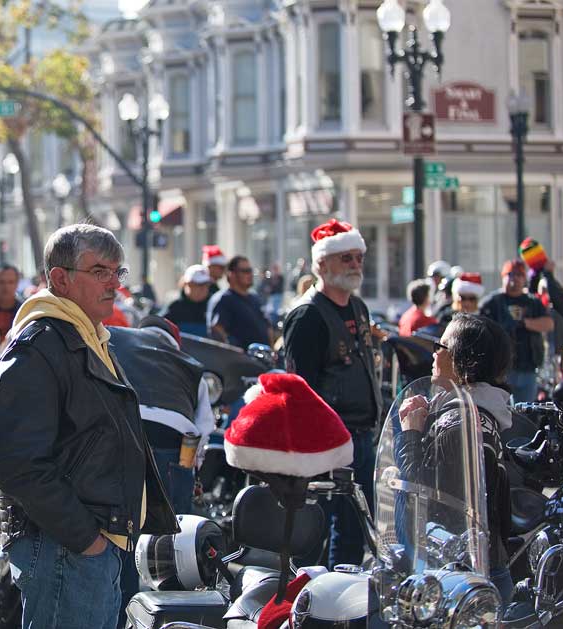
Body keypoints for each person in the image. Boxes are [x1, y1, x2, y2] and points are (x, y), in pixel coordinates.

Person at [0, 224, 178, 629]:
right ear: (60, 278)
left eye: (117, 272)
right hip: (66, 549)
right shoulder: (40, 344)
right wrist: (85, 539)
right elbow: (15, 460)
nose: (113, 285)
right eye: (100, 271)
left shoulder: (88, 336)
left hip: (92, 545)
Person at [283, 219, 381, 569]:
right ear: (322, 264)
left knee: (355, 531)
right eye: (345, 258)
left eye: (358, 257)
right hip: (327, 441)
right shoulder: (307, 315)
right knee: (316, 532)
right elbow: (299, 390)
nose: (355, 265)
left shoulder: (359, 308)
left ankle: (345, 608)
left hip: (362, 436)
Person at [398, 314, 514, 607]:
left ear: (466, 361)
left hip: (457, 577)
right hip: (484, 563)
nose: (435, 351)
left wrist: (410, 434)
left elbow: (422, 491)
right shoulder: (479, 409)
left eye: (443, 345)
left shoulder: (459, 419)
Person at [108, 315, 215, 629]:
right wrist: (190, 476)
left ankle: (120, 617)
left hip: (122, 441)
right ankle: (163, 617)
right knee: (167, 548)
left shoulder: (117, 340)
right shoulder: (191, 364)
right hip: (173, 449)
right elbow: (203, 429)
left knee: (121, 540)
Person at [480, 259, 554, 402]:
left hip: (528, 369)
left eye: (519, 275)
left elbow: (549, 324)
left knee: (525, 415)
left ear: (524, 278)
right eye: (510, 274)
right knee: (501, 412)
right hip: (501, 370)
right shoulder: (492, 303)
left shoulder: (532, 302)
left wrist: (525, 323)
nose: (514, 279)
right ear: (503, 277)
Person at [207, 255, 272, 349]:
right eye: (245, 271)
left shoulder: (254, 297)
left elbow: (267, 328)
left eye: (250, 270)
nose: (250, 274)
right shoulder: (224, 299)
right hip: (239, 361)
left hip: (262, 360)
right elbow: (217, 331)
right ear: (231, 274)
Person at [162, 264, 211, 337]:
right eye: (199, 284)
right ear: (187, 284)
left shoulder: (215, 306)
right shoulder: (175, 307)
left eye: (206, 284)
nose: (203, 288)